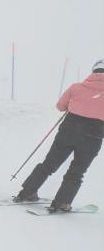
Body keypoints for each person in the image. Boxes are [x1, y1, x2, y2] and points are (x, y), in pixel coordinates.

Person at [13, 59, 104, 211]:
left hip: (68, 132)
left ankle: (26, 192)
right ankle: (62, 203)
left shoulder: (76, 87)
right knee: (77, 171)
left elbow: (60, 106)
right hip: (92, 137)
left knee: (49, 164)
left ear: (93, 71)